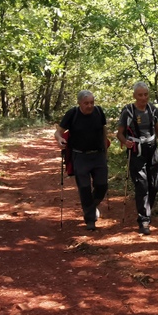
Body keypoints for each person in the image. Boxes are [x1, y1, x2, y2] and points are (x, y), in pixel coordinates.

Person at [117, 82, 158, 235]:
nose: (143, 97)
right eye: (140, 95)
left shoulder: (152, 109)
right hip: (135, 150)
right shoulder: (128, 111)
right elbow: (119, 133)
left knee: (154, 185)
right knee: (142, 184)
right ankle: (144, 220)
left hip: (152, 149)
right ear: (134, 96)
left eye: (145, 94)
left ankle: (147, 211)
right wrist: (124, 141)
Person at [56, 90, 111, 230]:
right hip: (80, 156)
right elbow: (58, 132)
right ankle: (90, 220)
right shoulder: (72, 114)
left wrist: (105, 148)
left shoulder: (98, 111)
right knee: (84, 188)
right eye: (86, 103)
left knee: (102, 185)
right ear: (79, 103)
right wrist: (60, 139)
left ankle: (90, 208)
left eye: (92, 102)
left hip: (98, 155)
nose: (90, 106)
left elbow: (103, 129)